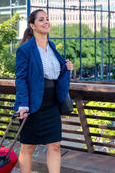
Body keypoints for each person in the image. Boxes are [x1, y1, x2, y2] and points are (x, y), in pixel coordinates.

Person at [14, 9, 73, 173]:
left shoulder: (52, 46)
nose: (46, 22)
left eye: (47, 19)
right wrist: (23, 104)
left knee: (55, 145)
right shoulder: (25, 50)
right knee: (28, 147)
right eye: (41, 20)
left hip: (52, 103)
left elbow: (56, 73)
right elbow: (21, 79)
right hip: (33, 104)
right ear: (32, 25)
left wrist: (67, 68)